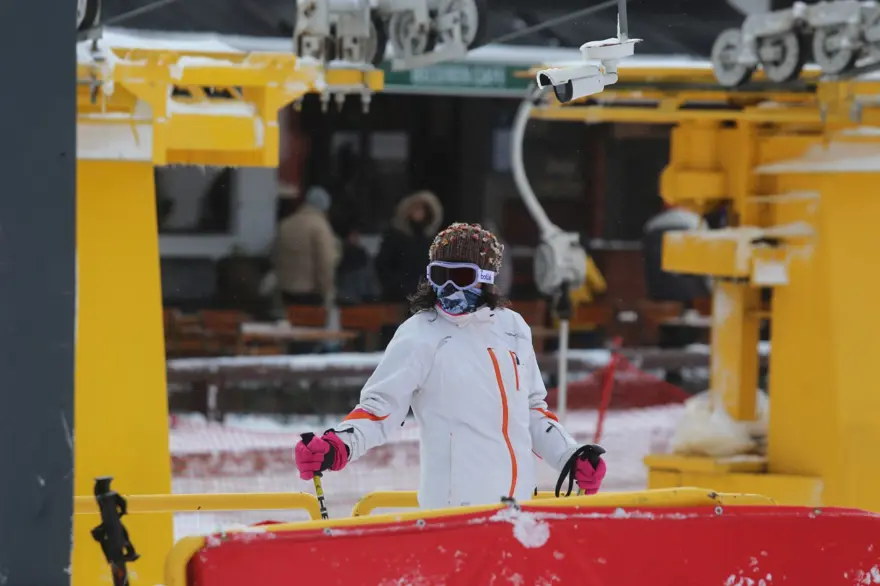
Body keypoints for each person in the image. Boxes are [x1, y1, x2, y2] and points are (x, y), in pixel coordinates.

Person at [294, 222, 607, 509]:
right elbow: (380, 408)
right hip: (455, 511)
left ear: (486, 278)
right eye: (440, 276)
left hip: (518, 509)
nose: (450, 289)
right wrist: (337, 445)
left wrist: (569, 454)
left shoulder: (512, 328)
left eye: (462, 277)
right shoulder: (420, 333)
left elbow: (532, 412)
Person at [272, 185, 341, 307]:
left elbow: (275, 256)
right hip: (309, 292)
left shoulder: (286, 224)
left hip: (285, 290)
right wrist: (328, 292)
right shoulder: (320, 227)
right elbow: (326, 262)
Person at [375, 190, 443, 303]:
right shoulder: (395, 237)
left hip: (425, 298)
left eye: (422, 209)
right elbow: (383, 265)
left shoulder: (433, 241)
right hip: (398, 299)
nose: (419, 212)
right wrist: (399, 286)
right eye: (416, 208)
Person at [335, 224, 380, 305]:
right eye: (354, 235)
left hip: (350, 300)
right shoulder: (360, 256)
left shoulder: (360, 256)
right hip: (358, 300)